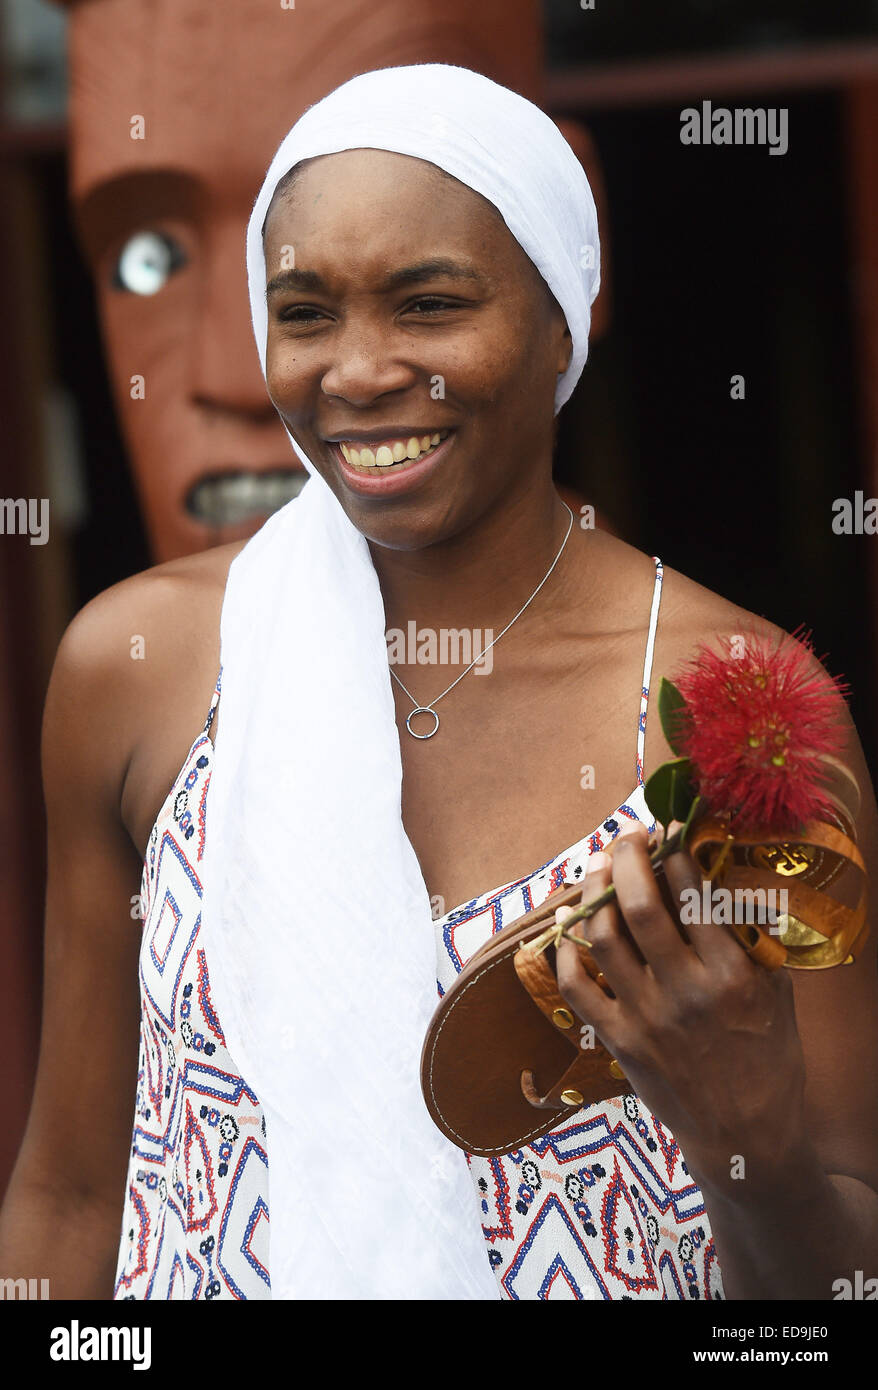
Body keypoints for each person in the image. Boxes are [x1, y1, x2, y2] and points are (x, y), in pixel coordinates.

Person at [1, 62, 877, 1301]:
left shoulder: (734, 715)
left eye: (428, 304)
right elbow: (71, 1194)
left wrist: (755, 1148)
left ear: (563, 316)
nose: (357, 371)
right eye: (305, 312)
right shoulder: (138, 670)